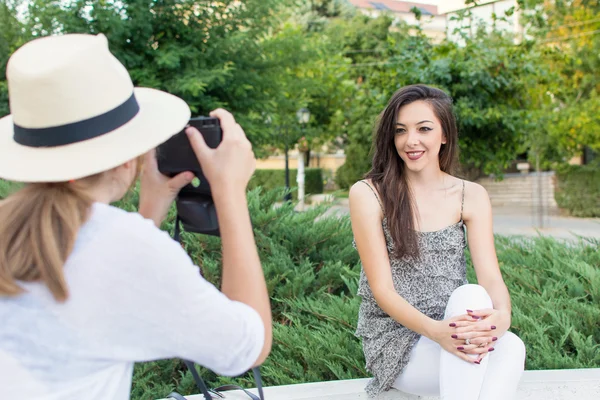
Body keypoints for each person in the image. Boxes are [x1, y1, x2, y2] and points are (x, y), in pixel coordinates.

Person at [0, 33, 272, 400]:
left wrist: (151, 209)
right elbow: (247, 347)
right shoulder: (124, 245)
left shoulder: (13, 226)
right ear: (130, 155)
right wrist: (229, 192)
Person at [349, 84, 526, 399]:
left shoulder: (470, 195)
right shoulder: (369, 193)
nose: (410, 140)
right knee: (475, 305)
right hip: (399, 342)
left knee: (510, 343)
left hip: (454, 327)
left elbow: (491, 278)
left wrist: (502, 316)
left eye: (424, 129)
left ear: (444, 135)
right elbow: (382, 291)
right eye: (401, 130)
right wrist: (437, 333)